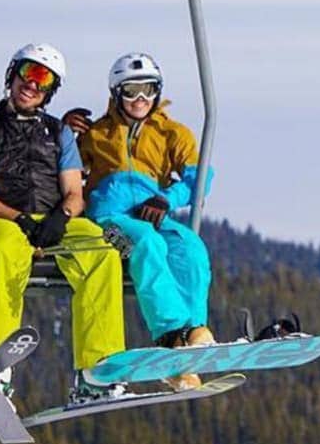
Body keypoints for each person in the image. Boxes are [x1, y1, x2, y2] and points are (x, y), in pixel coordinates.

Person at [0, 43, 127, 405]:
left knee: (101, 253)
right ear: (12, 74)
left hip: (53, 221)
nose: (32, 85)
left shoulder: (58, 134)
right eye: (27, 73)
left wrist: (60, 218)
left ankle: (98, 369)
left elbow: (74, 193)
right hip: (3, 219)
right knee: (4, 253)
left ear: (51, 90)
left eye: (43, 79)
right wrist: (19, 219)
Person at [65, 52, 214, 391]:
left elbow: (200, 177)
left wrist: (168, 198)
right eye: (131, 91)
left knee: (190, 248)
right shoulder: (98, 133)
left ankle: (191, 338)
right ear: (116, 93)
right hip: (109, 219)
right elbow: (64, 166)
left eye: (148, 90)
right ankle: (171, 334)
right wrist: (65, 130)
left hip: (152, 211)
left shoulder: (171, 133)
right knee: (145, 243)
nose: (140, 99)